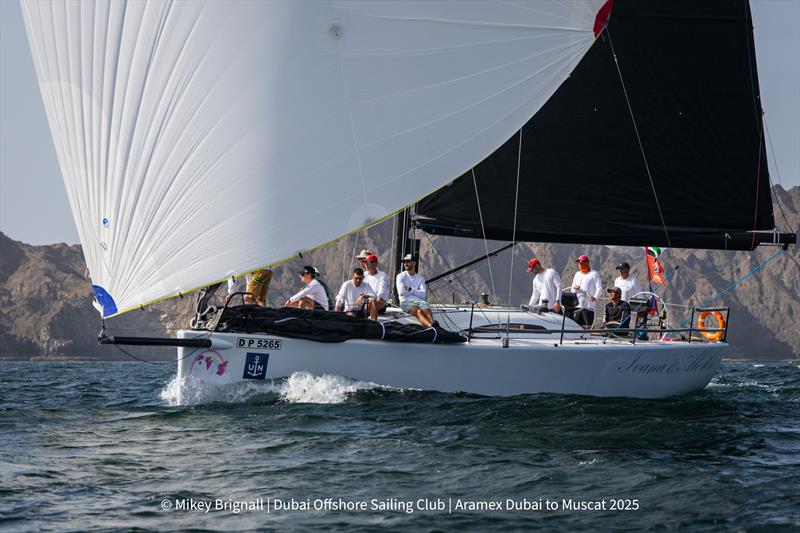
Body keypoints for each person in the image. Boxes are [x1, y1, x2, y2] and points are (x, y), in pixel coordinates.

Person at [396, 254, 434, 327]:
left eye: (408, 261)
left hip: (420, 301)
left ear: (414, 263)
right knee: (418, 311)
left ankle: (433, 325)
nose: (405, 264)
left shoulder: (420, 279)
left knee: (428, 311)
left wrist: (410, 289)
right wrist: (417, 291)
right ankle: (431, 326)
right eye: (404, 262)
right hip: (406, 302)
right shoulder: (400, 276)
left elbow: (423, 295)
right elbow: (401, 293)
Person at [571, 254, 602, 329]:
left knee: (588, 327)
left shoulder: (594, 274)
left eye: (582, 262)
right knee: (576, 327)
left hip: (588, 306)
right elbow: (572, 290)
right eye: (579, 263)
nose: (580, 264)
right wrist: (575, 288)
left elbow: (599, 288)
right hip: (577, 305)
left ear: (587, 263)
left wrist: (594, 297)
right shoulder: (577, 274)